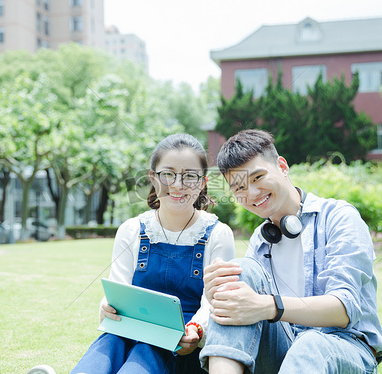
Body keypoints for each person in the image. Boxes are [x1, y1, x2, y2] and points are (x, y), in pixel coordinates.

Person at [28, 133, 235, 374]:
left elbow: (213, 303)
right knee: (111, 340)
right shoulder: (131, 230)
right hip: (129, 328)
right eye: (168, 174)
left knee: (147, 349)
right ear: (153, 178)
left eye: (189, 176)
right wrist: (107, 305)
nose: (178, 185)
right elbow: (118, 291)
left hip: (181, 342)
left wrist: (197, 330)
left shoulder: (217, 234)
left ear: (202, 182)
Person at [199, 129, 382, 373]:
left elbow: (345, 308)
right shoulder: (259, 240)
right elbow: (245, 315)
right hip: (285, 347)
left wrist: (268, 305)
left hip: (345, 349)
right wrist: (219, 293)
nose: (252, 194)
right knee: (238, 273)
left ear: (282, 166)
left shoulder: (339, 217)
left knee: (310, 343)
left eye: (257, 178)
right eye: (239, 188)